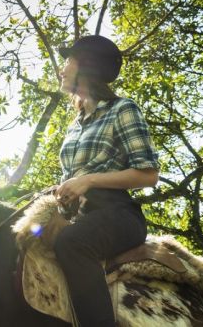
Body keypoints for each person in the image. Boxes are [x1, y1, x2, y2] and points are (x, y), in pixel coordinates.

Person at [52, 35, 160, 326]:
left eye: (68, 61)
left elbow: (148, 174)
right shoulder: (74, 127)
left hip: (119, 216)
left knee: (71, 244)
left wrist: (88, 180)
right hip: (82, 217)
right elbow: (74, 181)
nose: (62, 69)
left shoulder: (122, 109)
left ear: (86, 66)